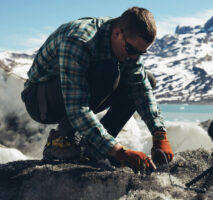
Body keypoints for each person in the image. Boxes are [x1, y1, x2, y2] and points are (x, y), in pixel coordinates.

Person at [21, 7, 173, 174]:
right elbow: (77, 109)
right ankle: (60, 142)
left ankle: (93, 149)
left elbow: (141, 89)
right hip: (41, 101)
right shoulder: (79, 40)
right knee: (109, 73)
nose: (134, 57)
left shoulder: (126, 43)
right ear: (117, 34)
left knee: (147, 79)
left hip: (73, 96)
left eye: (141, 53)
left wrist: (160, 136)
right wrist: (120, 152)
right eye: (131, 50)